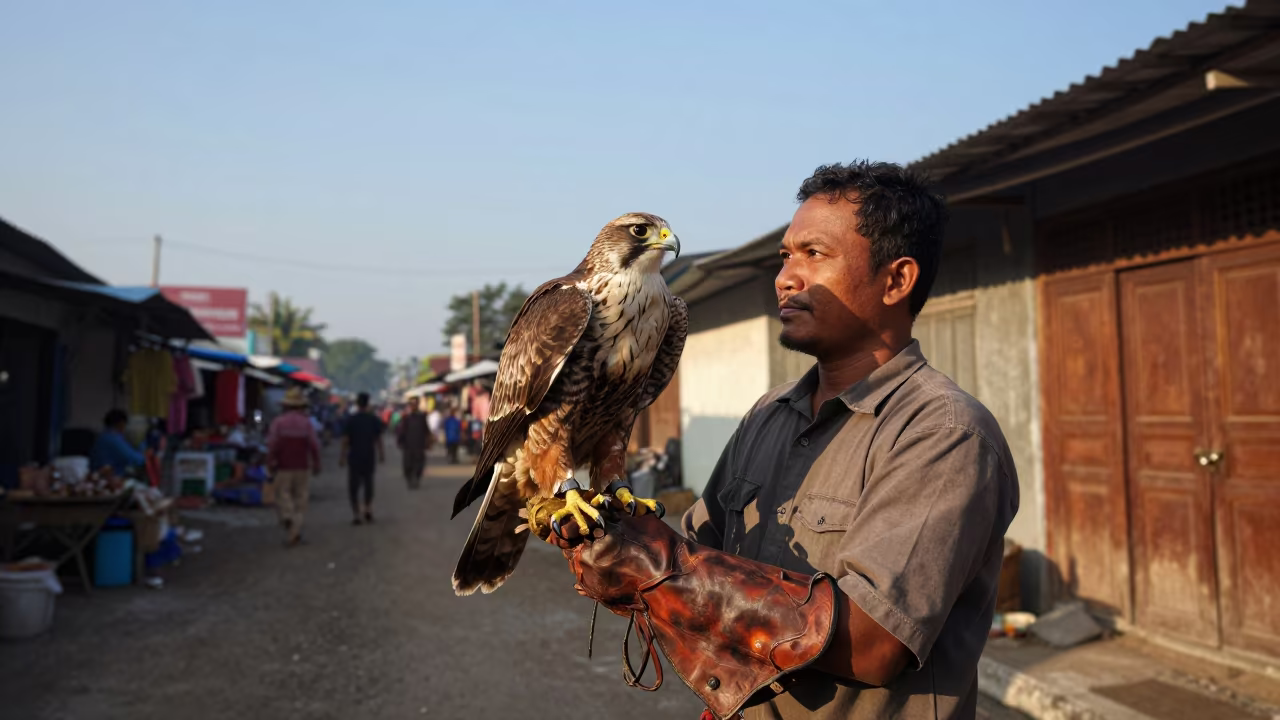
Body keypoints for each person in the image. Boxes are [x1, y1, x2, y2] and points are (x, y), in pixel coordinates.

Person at [550, 162, 1019, 720]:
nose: (786, 278)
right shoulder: (768, 415)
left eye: (814, 255)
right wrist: (613, 548)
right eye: (784, 258)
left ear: (896, 281)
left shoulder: (942, 434)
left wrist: (662, 568)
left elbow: (872, 645)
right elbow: (697, 563)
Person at [266, 387, 322, 548]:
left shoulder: (279, 422)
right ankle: (294, 532)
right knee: (301, 498)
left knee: (282, 494)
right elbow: (314, 445)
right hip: (302, 465)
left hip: (283, 465)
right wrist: (317, 463)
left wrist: (270, 462)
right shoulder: (307, 423)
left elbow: (272, 445)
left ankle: (287, 517)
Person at [341, 392, 385, 525]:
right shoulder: (373, 419)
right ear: (368, 403)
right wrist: (381, 454)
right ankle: (368, 509)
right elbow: (378, 439)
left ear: (357, 403)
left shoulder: (351, 419)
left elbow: (345, 440)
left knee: (354, 485)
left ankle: (356, 514)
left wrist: (342, 456)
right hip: (368, 455)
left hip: (354, 456)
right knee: (368, 484)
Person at [89, 409, 146, 475]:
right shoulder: (112, 438)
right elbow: (136, 460)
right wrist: (142, 446)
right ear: (121, 423)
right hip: (109, 478)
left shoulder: (104, 436)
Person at [395, 397, 431, 489]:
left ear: (418, 405)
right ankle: (410, 480)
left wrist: (428, 442)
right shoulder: (406, 418)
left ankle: (417, 479)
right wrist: (400, 441)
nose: (413, 406)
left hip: (419, 445)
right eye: (412, 404)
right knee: (408, 465)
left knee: (419, 465)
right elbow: (401, 431)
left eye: (415, 404)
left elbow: (426, 431)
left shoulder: (422, 417)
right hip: (408, 446)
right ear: (410, 406)